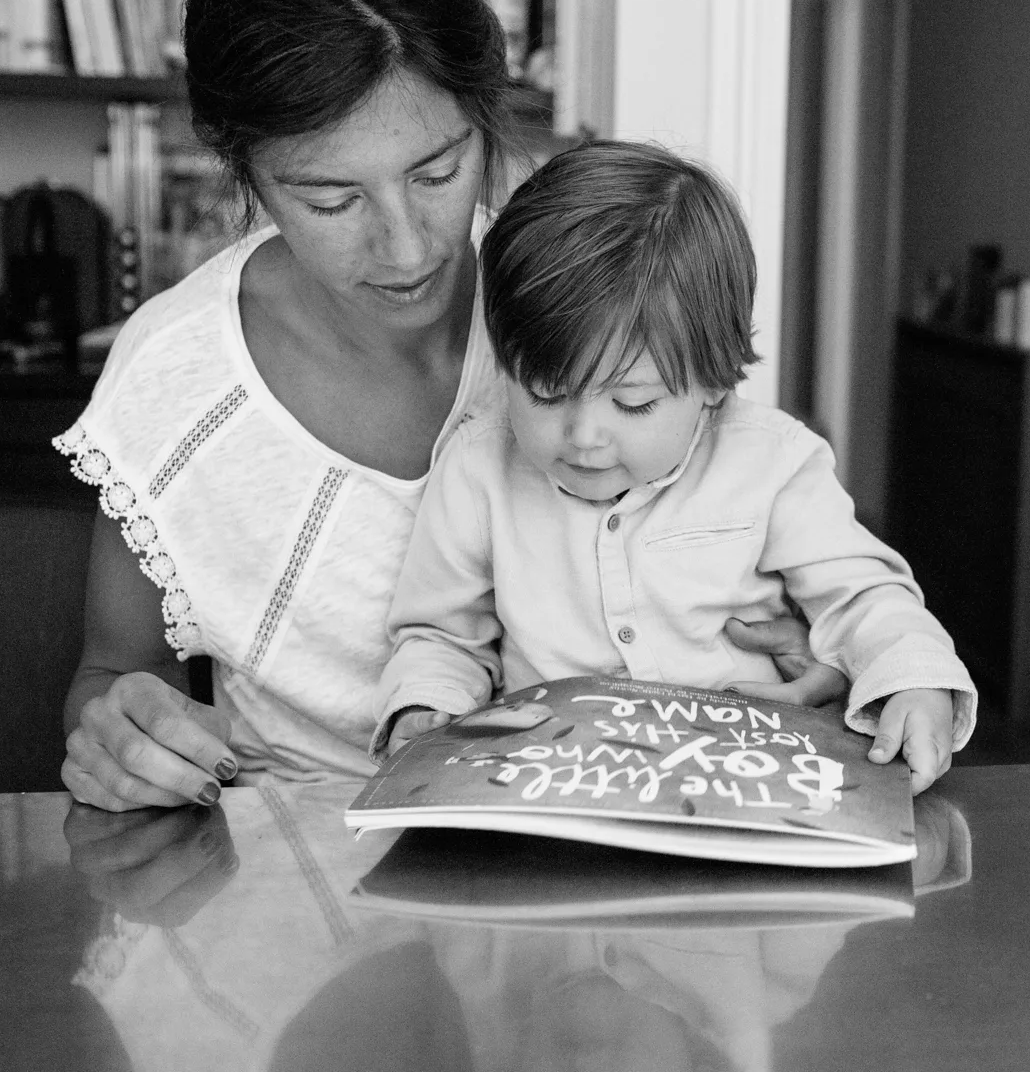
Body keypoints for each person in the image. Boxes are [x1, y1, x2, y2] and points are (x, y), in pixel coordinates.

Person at [55, 0, 837, 813]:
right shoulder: (175, 379)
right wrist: (118, 733)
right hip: (298, 862)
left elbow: (749, 525)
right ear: (242, 169)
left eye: (438, 171)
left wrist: (812, 650)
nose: (408, 248)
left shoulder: (591, 305)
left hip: (597, 844)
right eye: (331, 200)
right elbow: (113, 672)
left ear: (489, 116)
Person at [375, 141, 977, 790]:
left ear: (713, 380)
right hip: (553, 790)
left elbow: (863, 598)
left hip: (743, 783)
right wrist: (426, 706)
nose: (583, 437)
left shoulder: (773, 463)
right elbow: (442, 637)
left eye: (633, 403)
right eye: (545, 394)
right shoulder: (476, 469)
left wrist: (913, 678)